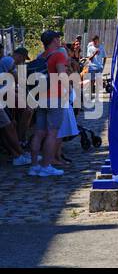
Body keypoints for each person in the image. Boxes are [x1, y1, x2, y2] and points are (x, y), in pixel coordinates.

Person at [26, 30, 70, 177]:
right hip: (54, 97)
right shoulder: (58, 55)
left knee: (39, 133)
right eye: (58, 38)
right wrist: (69, 90)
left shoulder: (41, 57)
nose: (59, 40)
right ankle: (46, 166)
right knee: (52, 133)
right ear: (53, 40)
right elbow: (62, 75)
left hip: (41, 98)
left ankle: (34, 166)